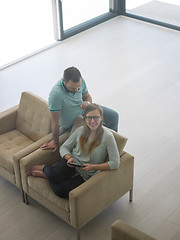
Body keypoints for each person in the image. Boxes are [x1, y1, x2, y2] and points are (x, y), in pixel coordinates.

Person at [27, 104, 120, 199]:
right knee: (53, 174)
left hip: (87, 174)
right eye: (89, 118)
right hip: (72, 163)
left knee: (60, 191)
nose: (92, 121)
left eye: (96, 117)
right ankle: (44, 168)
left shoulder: (108, 137)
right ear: (85, 119)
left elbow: (115, 163)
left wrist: (93, 167)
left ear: (101, 118)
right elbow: (64, 148)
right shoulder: (80, 131)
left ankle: (45, 175)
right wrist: (69, 157)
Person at [41, 66, 119, 152]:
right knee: (99, 130)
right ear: (64, 81)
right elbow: (55, 123)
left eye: (78, 87)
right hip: (73, 122)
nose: (76, 90)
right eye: (73, 88)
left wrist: (88, 103)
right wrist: (56, 142)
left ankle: (113, 145)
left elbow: (88, 97)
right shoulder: (55, 95)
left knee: (114, 116)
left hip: (86, 111)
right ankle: (108, 149)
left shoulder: (80, 81)